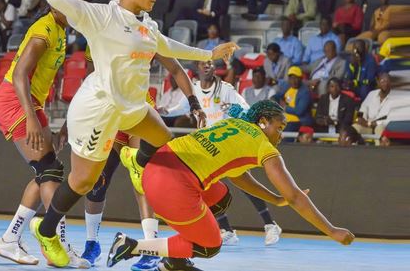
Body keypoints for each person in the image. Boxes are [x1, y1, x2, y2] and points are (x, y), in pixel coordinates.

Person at [28, 0, 237, 267]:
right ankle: (46, 230)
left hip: (133, 108)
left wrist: (209, 55)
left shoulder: (148, 26)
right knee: (83, 183)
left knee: (164, 139)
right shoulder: (101, 17)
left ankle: (138, 161)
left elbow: (170, 47)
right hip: (99, 111)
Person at [108, 100, 354, 271]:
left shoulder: (232, 124)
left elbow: (238, 177)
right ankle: (132, 247)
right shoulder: (264, 147)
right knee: (209, 246)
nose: (280, 136)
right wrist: (331, 230)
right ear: (263, 121)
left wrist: (275, 199)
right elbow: (296, 197)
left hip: (158, 167)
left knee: (222, 197)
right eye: (279, 128)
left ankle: (175, 262)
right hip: (171, 187)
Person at [0, 0, 90, 268]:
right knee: (50, 173)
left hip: (32, 103)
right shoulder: (43, 31)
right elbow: (20, 74)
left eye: (77, 4)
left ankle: (10, 238)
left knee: (46, 171)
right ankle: (56, 245)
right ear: (55, 4)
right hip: (16, 101)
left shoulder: (61, 30)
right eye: (70, 3)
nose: (75, 9)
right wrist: (32, 119)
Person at [82, 48, 206, 270]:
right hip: (109, 114)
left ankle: (150, 249)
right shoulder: (95, 33)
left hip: (140, 114)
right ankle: (92, 244)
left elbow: (176, 68)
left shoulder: (145, 32)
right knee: (97, 182)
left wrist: (194, 104)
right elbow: (90, 78)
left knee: (142, 179)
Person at [159, 61, 283, 248]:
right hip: (208, 147)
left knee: (245, 184)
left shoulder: (225, 89)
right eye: (203, 63)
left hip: (229, 145)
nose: (207, 65)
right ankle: (227, 230)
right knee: (206, 188)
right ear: (197, 69)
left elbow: (248, 110)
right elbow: (182, 108)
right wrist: (165, 111)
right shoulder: (193, 89)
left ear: (215, 68)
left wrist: (233, 110)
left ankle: (270, 225)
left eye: (210, 63)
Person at [352, 72, 393, 141]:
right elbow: (363, 109)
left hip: (383, 127)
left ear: (391, 83)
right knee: (354, 127)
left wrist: (373, 123)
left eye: (387, 81)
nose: (385, 84)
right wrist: (361, 119)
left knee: (379, 129)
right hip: (367, 127)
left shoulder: (395, 98)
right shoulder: (372, 94)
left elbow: (392, 119)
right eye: (382, 81)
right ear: (378, 82)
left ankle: (379, 151)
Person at [274, 66, 313, 132]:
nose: (294, 81)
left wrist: (284, 107)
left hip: (298, 121)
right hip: (284, 119)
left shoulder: (305, 92)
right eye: (291, 78)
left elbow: (299, 111)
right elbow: (277, 96)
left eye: (296, 78)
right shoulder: (287, 86)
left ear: (301, 79)